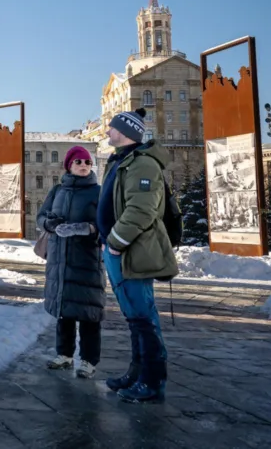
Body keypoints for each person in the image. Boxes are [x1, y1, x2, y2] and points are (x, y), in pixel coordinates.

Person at [97, 107, 178, 403]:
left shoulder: (143, 164)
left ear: (126, 132)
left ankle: (152, 381)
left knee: (143, 316)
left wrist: (116, 242)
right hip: (117, 249)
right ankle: (137, 373)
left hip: (132, 250)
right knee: (133, 316)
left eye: (111, 127)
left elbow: (141, 210)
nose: (107, 131)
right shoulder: (122, 160)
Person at [38, 145, 105, 379]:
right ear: (69, 165)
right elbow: (41, 216)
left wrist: (86, 228)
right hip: (60, 260)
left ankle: (88, 360)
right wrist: (50, 224)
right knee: (63, 310)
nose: (84, 166)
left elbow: (107, 223)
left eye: (87, 162)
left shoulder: (98, 192)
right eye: (79, 162)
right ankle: (64, 355)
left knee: (89, 313)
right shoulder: (57, 191)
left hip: (86, 260)